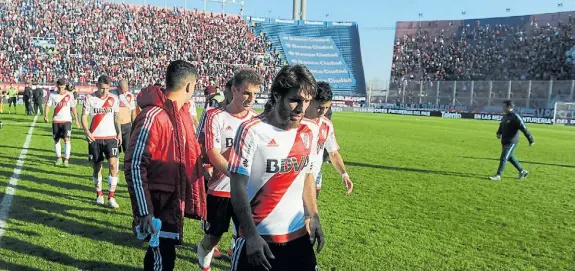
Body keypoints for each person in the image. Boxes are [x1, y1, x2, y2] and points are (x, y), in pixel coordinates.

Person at [228, 65, 324, 271]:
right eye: (295, 100)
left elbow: (307, 176)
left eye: (306, 101)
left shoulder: (310, 130)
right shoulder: (251, 131)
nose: (301, 108)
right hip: (258, 241)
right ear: (277, 96)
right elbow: (237, 187)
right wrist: (251, 235)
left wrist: (313, 216)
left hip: (298, 238)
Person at [125, 60, 206, 271]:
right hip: (158, 204)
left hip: (170, 201)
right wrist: (144, 211)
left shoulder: (180, 114)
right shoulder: (154, 116)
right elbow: (134, 165)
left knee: (164, 255)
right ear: (189, 86)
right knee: (160, 259)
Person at [197, 70, 262, 270]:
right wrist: (236, 177)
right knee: (213, 236)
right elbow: (213, 153)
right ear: (234, 90)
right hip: (220, 189)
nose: (251, 99)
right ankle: (203, 256)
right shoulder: (215, 116)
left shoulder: (259, 121)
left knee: (245, 236)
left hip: (247, 193)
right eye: (246, 93)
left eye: (255, 94)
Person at [195, 78, 234, 259]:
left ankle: (234, 247)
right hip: (217, 179)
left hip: (240, 186)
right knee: (213, 229)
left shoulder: (253, 119)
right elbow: (200, 141)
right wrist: (206, 165)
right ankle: (209, 247)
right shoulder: (212, 113)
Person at [304, 81, 353, 198]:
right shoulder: (296, 122)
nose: (323, 111)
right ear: (310, 101)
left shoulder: (327, 125)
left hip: (315, 179)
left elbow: (333, 153)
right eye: (319, 107)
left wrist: (344, 174)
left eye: (327, 107)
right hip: (293, 179)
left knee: (309, 214)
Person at [82, 75, 122, 209]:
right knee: (97, 167)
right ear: (97, 86)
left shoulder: (114, 99)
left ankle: (111, 196)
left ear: (109, 87)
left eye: (106, 88)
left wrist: (119, 132)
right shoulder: (90, 98)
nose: (104, 91)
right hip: (95, 138)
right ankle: (99, 194)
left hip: (110, 137)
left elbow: (117, 117)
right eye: (101, 88)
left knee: (113, 165)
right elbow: (84, 116)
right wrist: (87, 132)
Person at [490, 100, 534, 181]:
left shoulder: (515, 117)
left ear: (509, 107)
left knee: (503, 157)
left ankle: (498, 175)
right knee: (510, 157)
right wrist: (499, 133)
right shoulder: (505, 116)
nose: (502, 108)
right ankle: (522, 171)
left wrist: (530, 139)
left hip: (512, 141)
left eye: (504, 106)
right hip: (504, 140)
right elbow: (501, 125)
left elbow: (524, 128)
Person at [44, 79, 80, 167]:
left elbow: (73, 108)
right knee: (56, 140)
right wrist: (46, 115)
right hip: (56, 120)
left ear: (65, 86)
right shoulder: (52, 95)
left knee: (67, 139)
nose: (61, 89)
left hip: (67, 120)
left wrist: (77, 120)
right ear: (57, 86)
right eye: (59, 88)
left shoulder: (69, 95)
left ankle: (66, 159)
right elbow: (48, 105)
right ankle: (59, 158)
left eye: (63, 87)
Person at [116, 79, 137, 159]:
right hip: (115, 126)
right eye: (122, 91)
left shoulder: (130, 96)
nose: (124, 93)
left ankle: (127, 167)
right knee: (115, 151)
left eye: (126, 91)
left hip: (127, 126)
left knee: (127, 150)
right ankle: (115, 169)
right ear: (118, 87)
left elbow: (133, 112)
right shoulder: (112, 94)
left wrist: (134, 125)